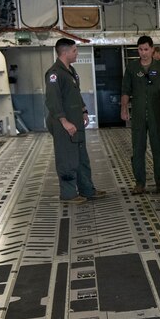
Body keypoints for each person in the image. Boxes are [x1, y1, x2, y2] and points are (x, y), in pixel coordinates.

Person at [44, 38, 106, 203]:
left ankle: (87, 189)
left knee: (81, 157)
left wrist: (84, 110)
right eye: (74, 50)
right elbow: (52, 100)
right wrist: (64, 121)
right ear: (64, 52)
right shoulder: (54, 73)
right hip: (63, 124)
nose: (76, 53)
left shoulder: (70, 71)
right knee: (66, 158)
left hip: (76, 122)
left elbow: (76, 94)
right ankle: (68, 194)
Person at [121, 36, 160, 194]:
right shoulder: (131, 68)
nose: (143, 53)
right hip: (138, 115)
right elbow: (125, 91)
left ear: (152, 49)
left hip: (156, 114)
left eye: (146, 49)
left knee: (158, 149)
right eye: (140, 49)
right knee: (138, 149)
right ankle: (139, 183)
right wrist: (124, 108)